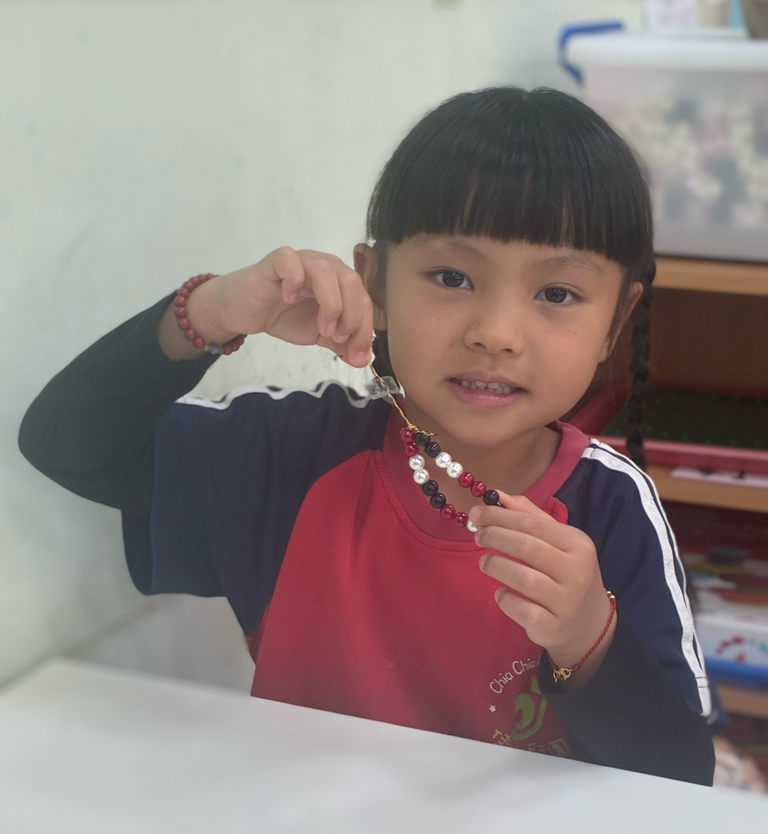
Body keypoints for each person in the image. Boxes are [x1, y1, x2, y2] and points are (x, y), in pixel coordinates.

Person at [19, 86, 715, 785]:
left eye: (557, 294)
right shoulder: (292, 455)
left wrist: (589, 638)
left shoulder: (613, 508)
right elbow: (67, 443)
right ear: (375, 284)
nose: (496, 333)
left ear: (615, 322)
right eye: (452, 276)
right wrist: (211, 311)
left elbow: (683, 776)